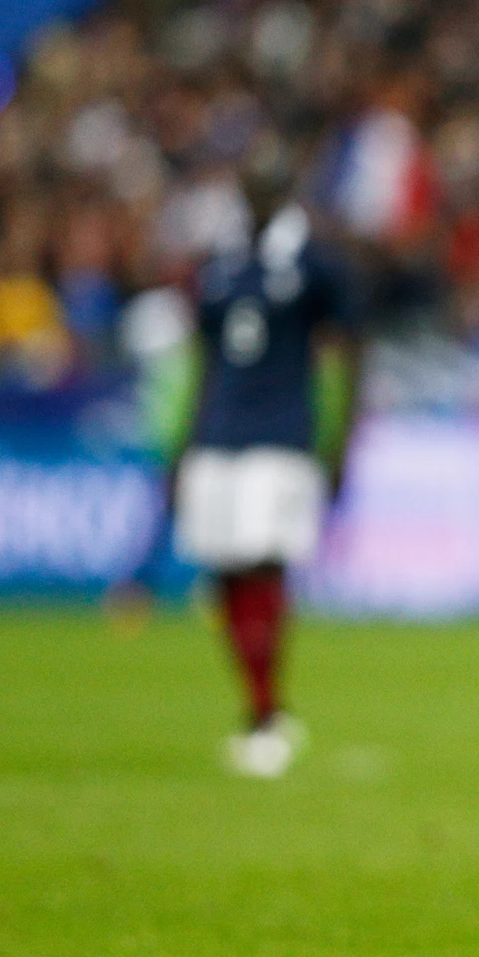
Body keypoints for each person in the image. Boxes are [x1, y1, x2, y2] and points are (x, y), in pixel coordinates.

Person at [174, 172, 362, 779]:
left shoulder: (314, 263)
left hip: (281, 438)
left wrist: (342, 439)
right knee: (225, 573)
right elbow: (202, 360)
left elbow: (350, 348)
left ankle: (263, 715)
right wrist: (183, 445)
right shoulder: (219, 264)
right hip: (216, 438)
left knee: (262, 565)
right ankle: (262, 707)